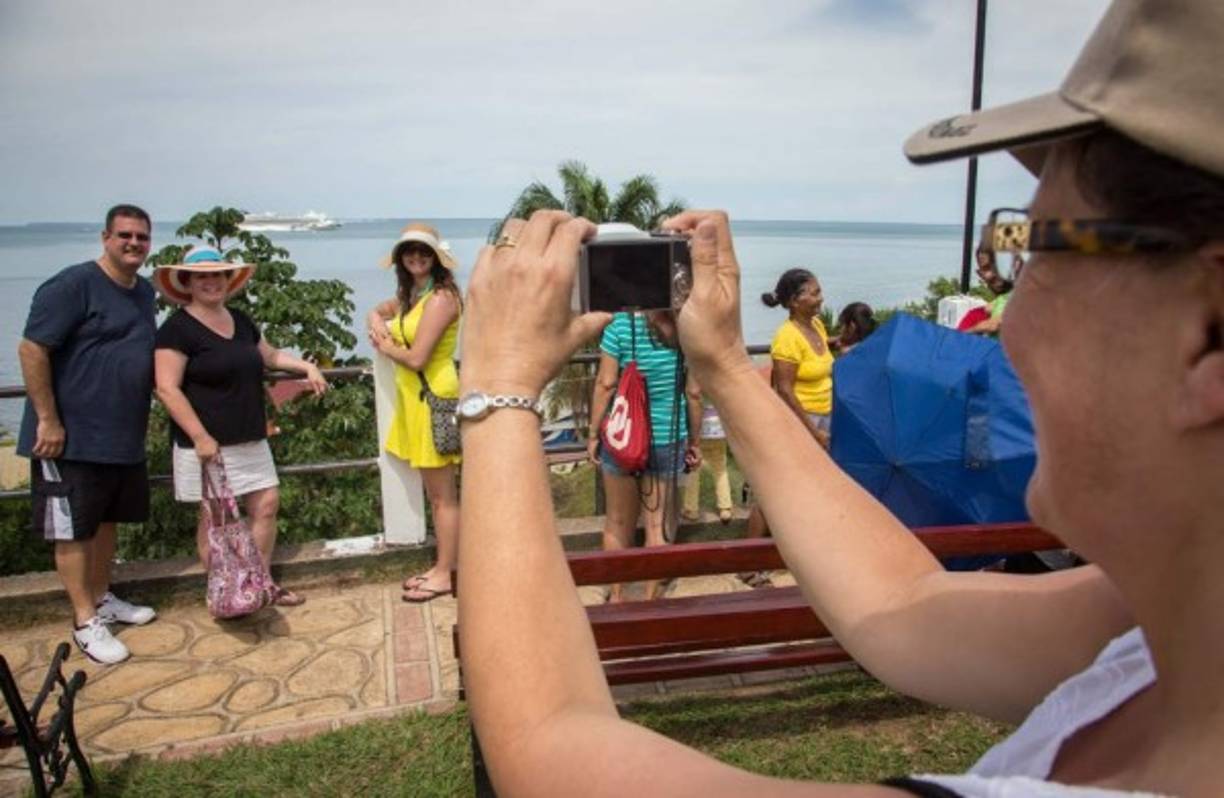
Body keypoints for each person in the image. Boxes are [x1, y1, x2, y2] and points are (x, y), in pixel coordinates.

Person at [452, 1, 1224, 790]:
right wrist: (718, 358)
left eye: (1041, 251)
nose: (1009, 325)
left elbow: (548, 751)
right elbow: (905, 602)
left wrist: (498, 388)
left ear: (1208, 332)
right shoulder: (1168, 632)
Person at [17, 204, 159, 665]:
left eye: (141, 237)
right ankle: (84, 621)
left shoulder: (143, 293)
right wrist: (48, 419)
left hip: (120, 435)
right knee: (73, 530)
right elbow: (33, 347)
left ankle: (101, 597)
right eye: (125, 235)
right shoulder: (73, 285)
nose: (134, 243)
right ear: (105, 237)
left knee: (105, 522)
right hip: (70, 436)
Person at [153, 245, 326, 607]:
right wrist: (200, 436)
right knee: (213, 520)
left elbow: (270, 356)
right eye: (202, 276)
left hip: (249, 436)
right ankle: (226, 590)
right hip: (205, 444)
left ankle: (259, 583)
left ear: (228, 280)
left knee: (266, 505)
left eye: (218, 275)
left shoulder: (241, 320)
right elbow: (166, 387)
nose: (211, 282)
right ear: (187, 281)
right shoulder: (176, 330)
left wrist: (305, 367)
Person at [367, 223, 462, 603]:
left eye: (424, 252)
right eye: (409, 251)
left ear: (436, 258)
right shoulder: (414, 294)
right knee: (435, 494)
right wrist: (376, 321)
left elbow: (418, 356)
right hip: (416, 398)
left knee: (443, 497)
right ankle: (442, 566)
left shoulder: (441, 298)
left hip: (432, 397)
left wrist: (385, 345)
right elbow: (382, 309)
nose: (416, 257)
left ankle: (446, 573)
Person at [586, 310, 701, 601]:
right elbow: (695, 393)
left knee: (617, 523)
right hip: (667, 437)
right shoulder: (685, 326)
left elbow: (606, 383)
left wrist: (592, 433)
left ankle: (617, 596)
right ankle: (650, 601)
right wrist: (695, 442)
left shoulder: (620, 326)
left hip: (624, 437)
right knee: (656, 526)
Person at [762, 268, 833, 449]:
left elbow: (821, 349)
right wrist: (814, 433)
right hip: (805, 419)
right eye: (815, 294)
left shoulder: (816, 325)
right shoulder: (787, 336)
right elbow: (784, 390)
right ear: (794, 301)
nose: (821, 298)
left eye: (820, 292)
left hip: (827, 413)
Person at [679, 377, 733, 525]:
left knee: (693, 469)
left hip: (698, 429)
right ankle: (725, 507)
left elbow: (693, 397)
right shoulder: (720, 372)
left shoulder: (695, 372)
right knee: (720, 468)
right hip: (719, 428)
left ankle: (691, 508)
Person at [963, 248, 1014, 336]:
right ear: (980, 274)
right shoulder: (976, 315)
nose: (995, 273)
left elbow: (995, 325)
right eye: (987, 268)